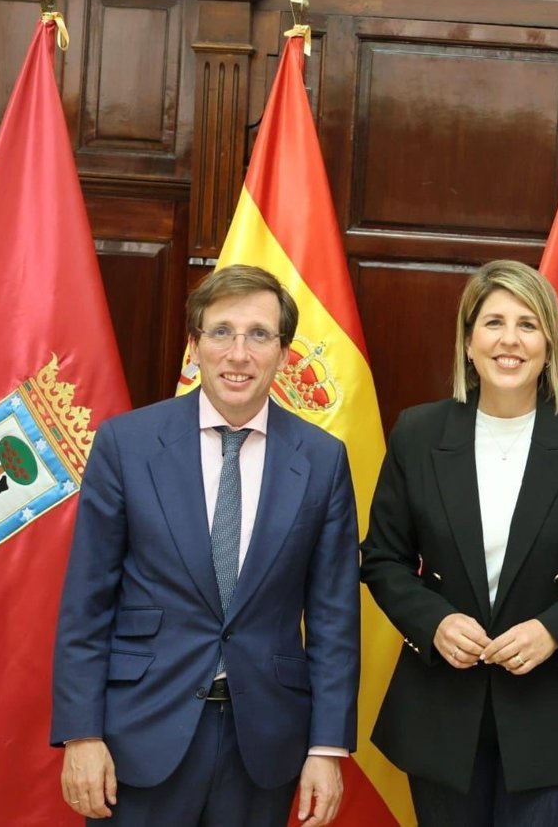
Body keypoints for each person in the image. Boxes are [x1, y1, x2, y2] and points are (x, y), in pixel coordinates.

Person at [51, 265, 360, 826]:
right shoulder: (127, 444)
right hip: (138, 733)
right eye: (221, 332)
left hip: (264, 743)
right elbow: (86, 602)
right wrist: (81, 733)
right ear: (194, 346)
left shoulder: (321, 460)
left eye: (259, 335)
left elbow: (334, 617)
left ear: (283, 353)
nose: (239, 354)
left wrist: (327, 746)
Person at [360, 259, 558, 826]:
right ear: (468, 341)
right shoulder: (418, 432)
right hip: (444, 711)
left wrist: (556, 629)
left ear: (549, 344)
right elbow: (382, 559)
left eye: (528, 324)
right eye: (494, 323)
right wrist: (434, 622)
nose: (510, 340)